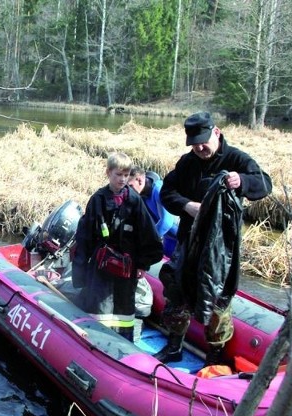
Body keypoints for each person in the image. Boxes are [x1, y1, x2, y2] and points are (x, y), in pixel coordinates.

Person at [154, 111, 272, 367]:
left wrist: (242, 181)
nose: (199, 147)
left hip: (220, 249)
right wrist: (186, 206)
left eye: (203, 141)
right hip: (189, 241)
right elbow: (167, 192)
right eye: (193, 142)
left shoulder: (236, 159)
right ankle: (174, 346)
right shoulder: (187, 163)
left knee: (218, 300)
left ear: (216, 132)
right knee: (177, 292)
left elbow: (265, 184)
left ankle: (215, 355)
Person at [72, 152, 163, 342]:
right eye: (118, 175)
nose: (122, 179)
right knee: (100, 307)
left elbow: (148, 234)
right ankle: (96, 342)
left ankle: (124, 343)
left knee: (124, 310)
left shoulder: (134, 200)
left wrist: (143, 264)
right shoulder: (97, 199)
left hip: (127, 268)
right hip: (101, 267)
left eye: (126, 175)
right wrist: (80, 273)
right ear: (108, 173)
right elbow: (84, 236)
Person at [128, 166, 179, 256]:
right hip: (169, 238)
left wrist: (147, 241)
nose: (128, 190)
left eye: (130, 186)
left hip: (183, 237)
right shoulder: (141, 195)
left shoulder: (158, 190)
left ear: (139, 180)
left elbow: (166, 222)